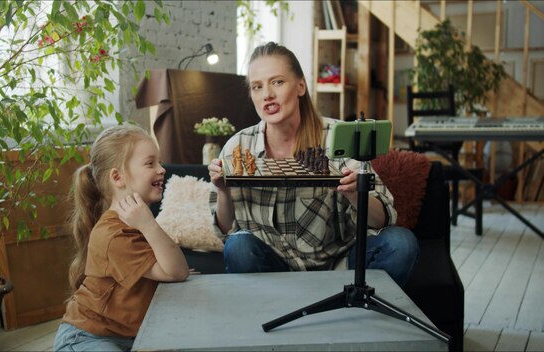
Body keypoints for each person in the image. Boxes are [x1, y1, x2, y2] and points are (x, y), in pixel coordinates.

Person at [207, 42, 418, 287]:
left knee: (401, 244)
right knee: (239, 246)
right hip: (273, 272)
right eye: (257, 86)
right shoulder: (238, 146)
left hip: (340, 266)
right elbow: (225, 231)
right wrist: (223, 189)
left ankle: (357, 309)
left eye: (277, 82)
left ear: (300, 86)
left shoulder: (338, 136)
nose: (267, 95)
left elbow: (383, 219)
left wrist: (354, 193)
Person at [53, 125, 189, 352]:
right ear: (118, 177)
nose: (162, 169)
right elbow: (177, 271)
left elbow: (173, 269)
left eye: (160, 162)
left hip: (130, 337)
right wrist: (149, 225)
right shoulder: (114, 234)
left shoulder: (136, 223)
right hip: (87, 338)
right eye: (150, 163)